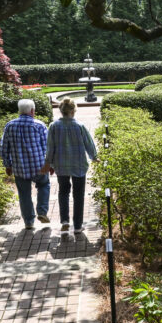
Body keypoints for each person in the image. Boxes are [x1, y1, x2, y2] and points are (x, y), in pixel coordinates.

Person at [44, 98, 97, 234]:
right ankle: (78, 226)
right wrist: (94, 157)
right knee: (78, 194)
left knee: (63, 192)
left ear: (61, 111)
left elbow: (50, 147)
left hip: (61, 165)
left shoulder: (53, 126)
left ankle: (65, 221)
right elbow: (89, 143)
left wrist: (48, 162)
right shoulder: (80, 126)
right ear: (73, 111)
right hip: (78, 165)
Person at [0, 98, 51, 230]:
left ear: (19, 111)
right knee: (44, 185)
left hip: (19, 167)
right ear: (32, 111)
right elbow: (47, 147)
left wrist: (7, 165)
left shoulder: (10, 126)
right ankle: (42, 212)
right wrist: (50, 164)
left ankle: (29, 222)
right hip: (39, 165)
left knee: (24, 194)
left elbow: (4, 148)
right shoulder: (39, 125)